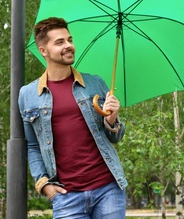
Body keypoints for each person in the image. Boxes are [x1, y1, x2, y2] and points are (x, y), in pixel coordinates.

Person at [18, 17, 127, 218]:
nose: (68, 46)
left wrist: (112, 119)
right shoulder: (28, 94)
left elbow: (115, 137)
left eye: (69, 40)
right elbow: (32, 145)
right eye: (59, 42)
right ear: (44, 51)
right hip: (66, 196)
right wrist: (43, 184)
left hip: (108, 189)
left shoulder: (95, 83)